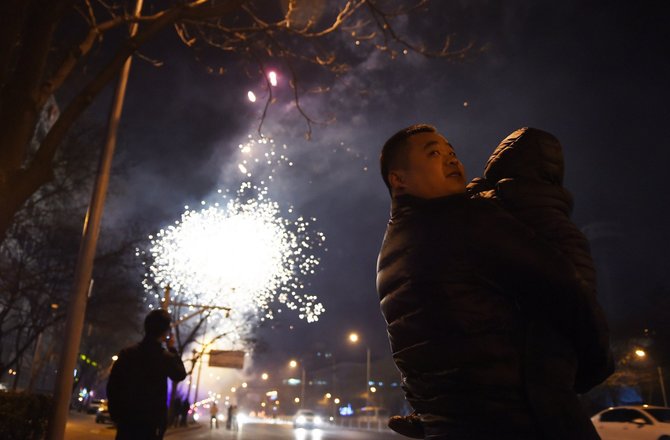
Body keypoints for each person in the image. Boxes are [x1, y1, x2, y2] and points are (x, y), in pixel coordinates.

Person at [376, 124, 612, 439]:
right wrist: (596, 367)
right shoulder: (469, 220)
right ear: (398, 179)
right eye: (435, 153)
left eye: (452, 153)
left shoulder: (389, 251)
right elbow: (569, 290)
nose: (451, 160)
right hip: (519, 420)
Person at [107, 309, 187, 440]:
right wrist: (172, 348)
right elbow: (180, 374)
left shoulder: (127, 354)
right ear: (165, 332)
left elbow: (113, 387)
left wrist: (116, 415)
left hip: (127, 420)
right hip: (151, 424)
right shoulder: (165, 358)